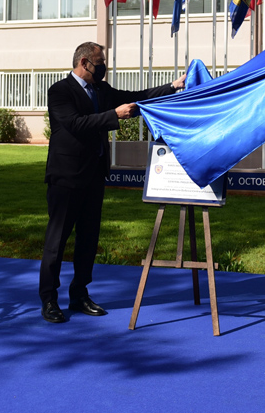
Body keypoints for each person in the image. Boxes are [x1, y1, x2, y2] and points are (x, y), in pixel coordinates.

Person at [39, 41, 186, 324]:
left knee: (88, 239)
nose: (103, 67)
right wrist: (112, 116)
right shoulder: (59, 91)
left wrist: (172, 86)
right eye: (99, 62)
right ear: (84, 62)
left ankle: (79, 293)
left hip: (94, 175)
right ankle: (49, 299)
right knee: (56, 242)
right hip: (65, 178)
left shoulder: (101, 91)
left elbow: (136, 97)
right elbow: (75, 123)